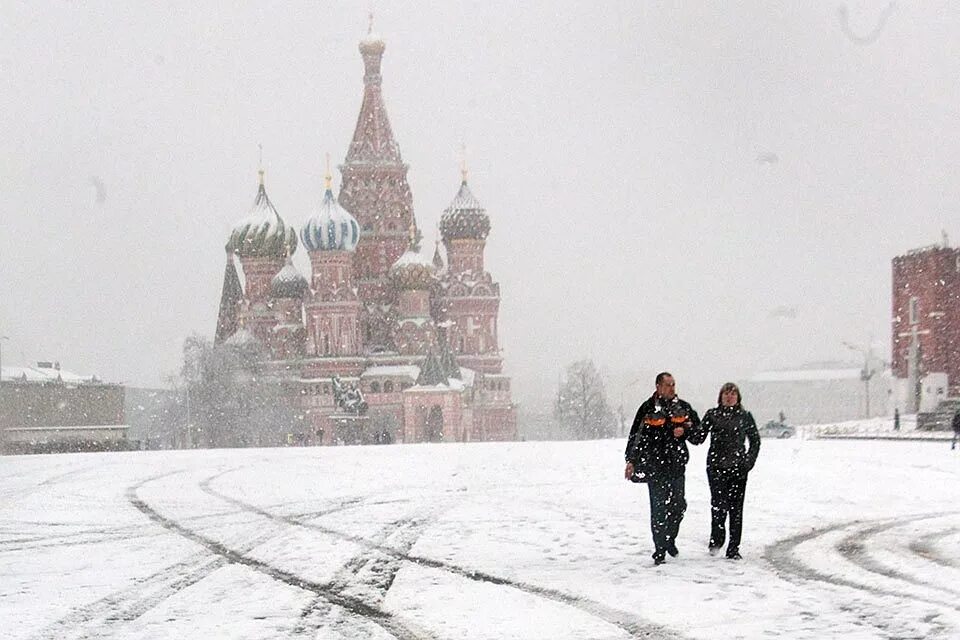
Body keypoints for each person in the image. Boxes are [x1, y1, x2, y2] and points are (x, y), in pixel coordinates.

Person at [624, 372, 700, 565]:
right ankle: (659, 551)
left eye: (673, 384)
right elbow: (636, 436)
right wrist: (631, 460)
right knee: (658, 510)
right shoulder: (648, 408)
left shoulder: (682, 407)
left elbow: (698, 435)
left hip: (676, 466)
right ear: (658, 386)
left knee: (678, 506)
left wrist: (685, 431)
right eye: (667, 385)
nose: (671, 388)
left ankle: (669, 539)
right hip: (655, 466)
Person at [688, 382, 760, 560]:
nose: (729, 397)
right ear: (720, 397)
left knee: (736, 509)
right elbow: (699, 438)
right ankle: (717, 539)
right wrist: (686, 428)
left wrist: (748, 461)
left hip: (738, 469)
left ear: (738, 398)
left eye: (733, 394)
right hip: (716, 468)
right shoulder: (712, 415)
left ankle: (734, 548)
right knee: (719, 506)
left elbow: (755, 440)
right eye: (726, 394)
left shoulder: (745, 416)